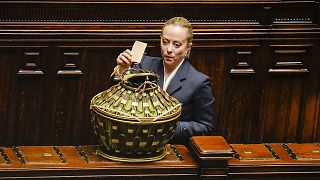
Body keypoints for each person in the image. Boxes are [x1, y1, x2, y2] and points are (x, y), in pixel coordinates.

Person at [113, 17, 215, 145]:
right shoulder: (143, 64)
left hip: (173, 149)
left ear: (188, 48)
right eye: (165, 42)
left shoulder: (199, 82)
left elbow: (205, 127)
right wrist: (122, 70)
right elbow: (118, 98)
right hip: (136, 144)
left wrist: (165, 127)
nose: (169, 49)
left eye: (177, 45)